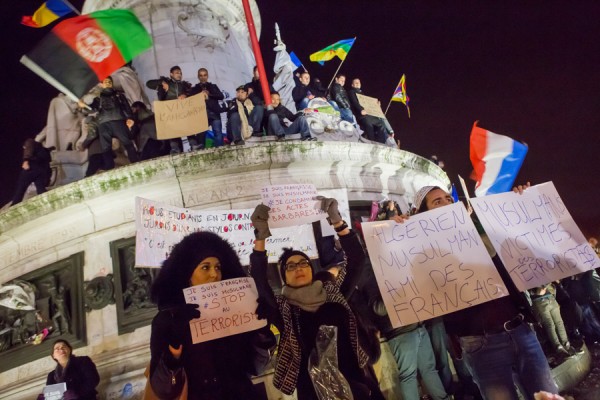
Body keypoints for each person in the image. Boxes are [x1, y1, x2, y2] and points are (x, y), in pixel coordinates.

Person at [404, 184, 559, 400]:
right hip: (481, 344)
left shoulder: (480, 232)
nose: (447, 203)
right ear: (421, 214)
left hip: (521, 331)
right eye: (437, 201)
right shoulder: (422, 252)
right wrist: (397, 229)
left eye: (449, 199)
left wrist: (517, 200)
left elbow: (516, 244)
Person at [250, 198, 380, 399]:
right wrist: (260, 235)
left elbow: (357, 260)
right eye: (290, 266)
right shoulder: (282, 309)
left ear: (312, 270)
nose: (299, 268)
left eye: (303, 263)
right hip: (313, 392)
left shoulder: (334, 294)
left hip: (357, 384)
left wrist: (337, 221)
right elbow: (259, 279)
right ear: (284, 277)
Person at [148, 231, 274, 400]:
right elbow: (162, 389)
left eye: (218, 267)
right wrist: (173, 350)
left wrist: (262, 331)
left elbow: (257, 367)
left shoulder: (237, 311)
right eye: (205, 267)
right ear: (188, 275)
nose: (214, 274)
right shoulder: (167, 320)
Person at [80, 76, 139, 170]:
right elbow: (92, 109)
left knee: (127, 143)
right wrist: (84, 106)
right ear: (102, 84)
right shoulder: (97, 98)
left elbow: (126, 107)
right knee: (106, 147)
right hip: (103, 124)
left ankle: (135, 161)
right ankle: (109, 167)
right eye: (106, 81)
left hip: (118, 121)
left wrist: (130, 118)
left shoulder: (119, 95)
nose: (108, 83)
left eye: (110, 82)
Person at [146, 66, 192, 153]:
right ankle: (175, 148)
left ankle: (194, 144)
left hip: (182, 110)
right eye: (177, 73)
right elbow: (148, 84)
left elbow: (191, 94)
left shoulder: (184, 85)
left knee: (188, 127)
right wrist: (162, 82)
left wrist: (185, 95)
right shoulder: (165, 83)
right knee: (172, 130)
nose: (179, 75)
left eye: (180, 73)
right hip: (170, 111)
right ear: (171, 74)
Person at [529, 283, 575, 357]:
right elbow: (539, 292)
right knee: (550, 325)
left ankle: (566, 345)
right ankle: (558, 347)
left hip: (550, 297)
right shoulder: (527, 282)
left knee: (559, 322)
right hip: (539, 301)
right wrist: (544, 286)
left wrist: (549, 284)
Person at [188, 68, 226, 148]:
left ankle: (220, 151)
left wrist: (210, 94)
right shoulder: (194, 89)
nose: (203, 77)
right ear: (198, 76)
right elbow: (190, 100)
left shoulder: (213, 86)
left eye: (205, 75)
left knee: (218, 133)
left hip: (214, 113)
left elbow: (221, 96)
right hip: (201, 115)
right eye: (201, 75)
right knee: (201, 136)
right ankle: (201, 153)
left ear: (207, 76)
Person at [347, 78, 390, 144]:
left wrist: (376, 106)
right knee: (369, 125)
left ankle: (381, 143)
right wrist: (361, 110)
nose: (358, 84)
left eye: (359, 82)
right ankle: (371, 142)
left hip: (369, 115)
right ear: (352, 85)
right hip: (361, 115)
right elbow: (354, 102)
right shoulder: (351, 92)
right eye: (356, 83)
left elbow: (368, 104)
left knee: (380, 124)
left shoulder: (362, 93)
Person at [11, 138, 52, 205]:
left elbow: (28, 150)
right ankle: (47, 202)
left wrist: (26, 160)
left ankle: (14, 206)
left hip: (30, 168)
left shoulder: (29, 141)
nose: (24, 149)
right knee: (41, 189)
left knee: (20, 189)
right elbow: (47, 164)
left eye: (24, 148)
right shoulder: (43, 150)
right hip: (40, 171)